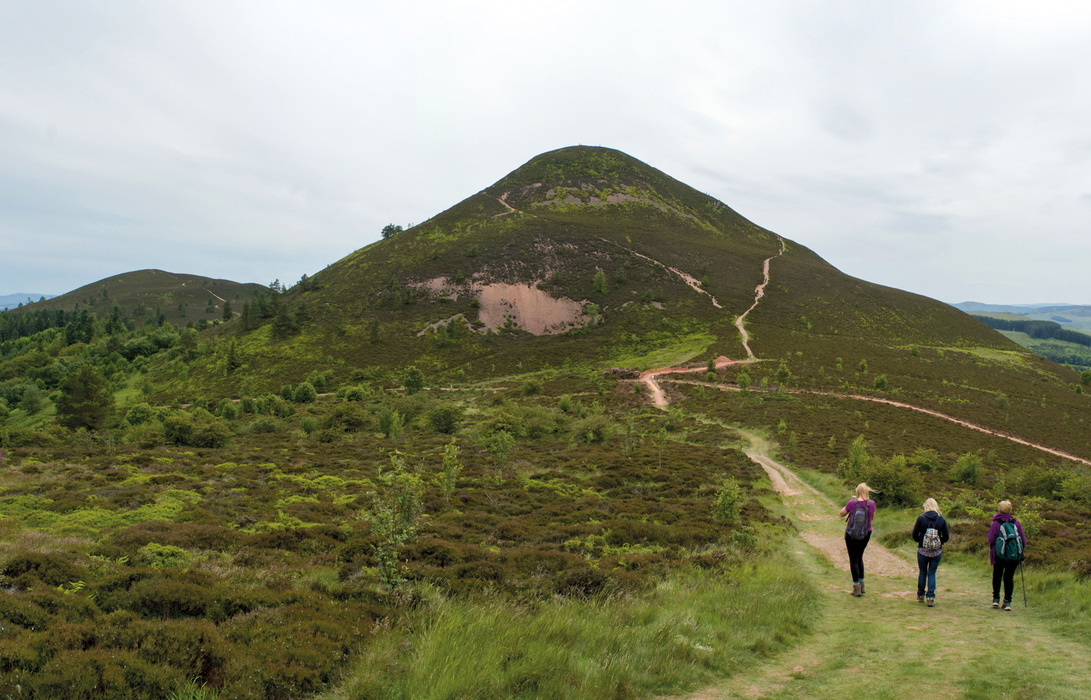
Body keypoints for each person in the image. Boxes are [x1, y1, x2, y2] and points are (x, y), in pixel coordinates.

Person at [987, 500, 1026, 611]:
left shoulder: (995, 523)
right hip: (1013, 556)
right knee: (1009, 577)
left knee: (997, 575)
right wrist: (1019, 552)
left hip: (999, 555)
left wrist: (994, 551)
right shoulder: (1016, 523)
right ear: (1010, 509)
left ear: (999, 509)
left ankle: (995, 599)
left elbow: (991, 539)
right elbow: (1023, 540)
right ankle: (1007, 602)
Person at [911, 498, 950, 607]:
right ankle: (931, 597)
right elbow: (946, 536)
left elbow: (914, 534)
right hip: (936, 552)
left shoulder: (921, 518)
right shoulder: (941, 519)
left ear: (926, 506)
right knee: (931, 573)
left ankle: (920, 595)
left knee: (922, 572)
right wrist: (939, 543)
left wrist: (920, 541)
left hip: (922, 550)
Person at [839, 483, 876, 596]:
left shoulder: (852, 503)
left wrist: (853, 502)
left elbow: (841, 513)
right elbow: (871, 518)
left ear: (857, 492)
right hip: (866, 532)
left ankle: (856, 587)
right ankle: (862, 584)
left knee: (853, 559)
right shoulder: (872, 504)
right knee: (859, 557)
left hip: (851, 533)